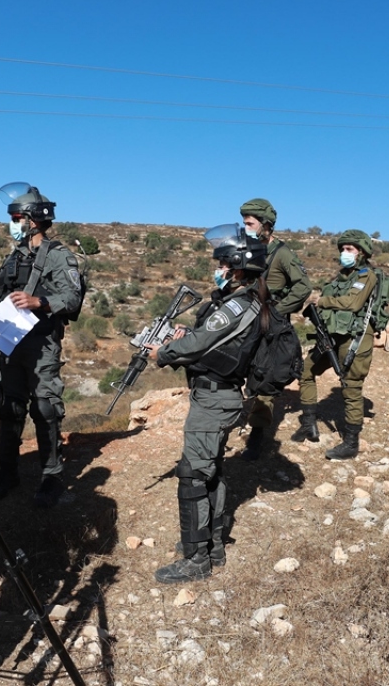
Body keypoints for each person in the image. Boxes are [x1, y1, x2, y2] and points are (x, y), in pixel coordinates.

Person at [147, 224, 266, 583]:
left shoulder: (237, 305)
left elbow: (201, 343)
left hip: (215, 400)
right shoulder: (243, 303)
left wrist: (163, 352)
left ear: (239, 268)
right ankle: (213, 545)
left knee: (193, 476)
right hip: (219, 395)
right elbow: (209, 341)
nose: (218, 269)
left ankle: (196, 559)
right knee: (210, 470)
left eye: (223, 264)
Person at [0, 182, 84, 508]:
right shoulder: (13, 257)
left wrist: (38, 301)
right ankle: (7, 471)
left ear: (33, 220)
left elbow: (71, 297)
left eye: (15, 217)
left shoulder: (57, 256)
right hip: (10, 339)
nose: (11, 223)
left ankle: (52, 475)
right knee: (10, 409)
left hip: (40, 344)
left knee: (45, 408)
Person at [291, 230, 382, 460]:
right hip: (330, 335)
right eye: (342, 249)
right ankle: (309, 425)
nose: (344, 253)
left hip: (355, 337)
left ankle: (351, 443)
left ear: (361, 252)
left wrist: (321, 301)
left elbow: (353, 303)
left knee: (350, 386)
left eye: (350, 249)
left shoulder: (367, 275)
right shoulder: (339, 278)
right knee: (306, 371)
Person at [237, 198, 312, 460]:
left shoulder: (282, 253)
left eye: (250, 223)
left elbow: (303, 287)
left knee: (264, 376)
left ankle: (257, 436)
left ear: (265, 225)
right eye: (244, 222)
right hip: (247, 320)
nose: (245, 227)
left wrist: (279, 311)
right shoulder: (248, 249)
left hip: (271, 324)